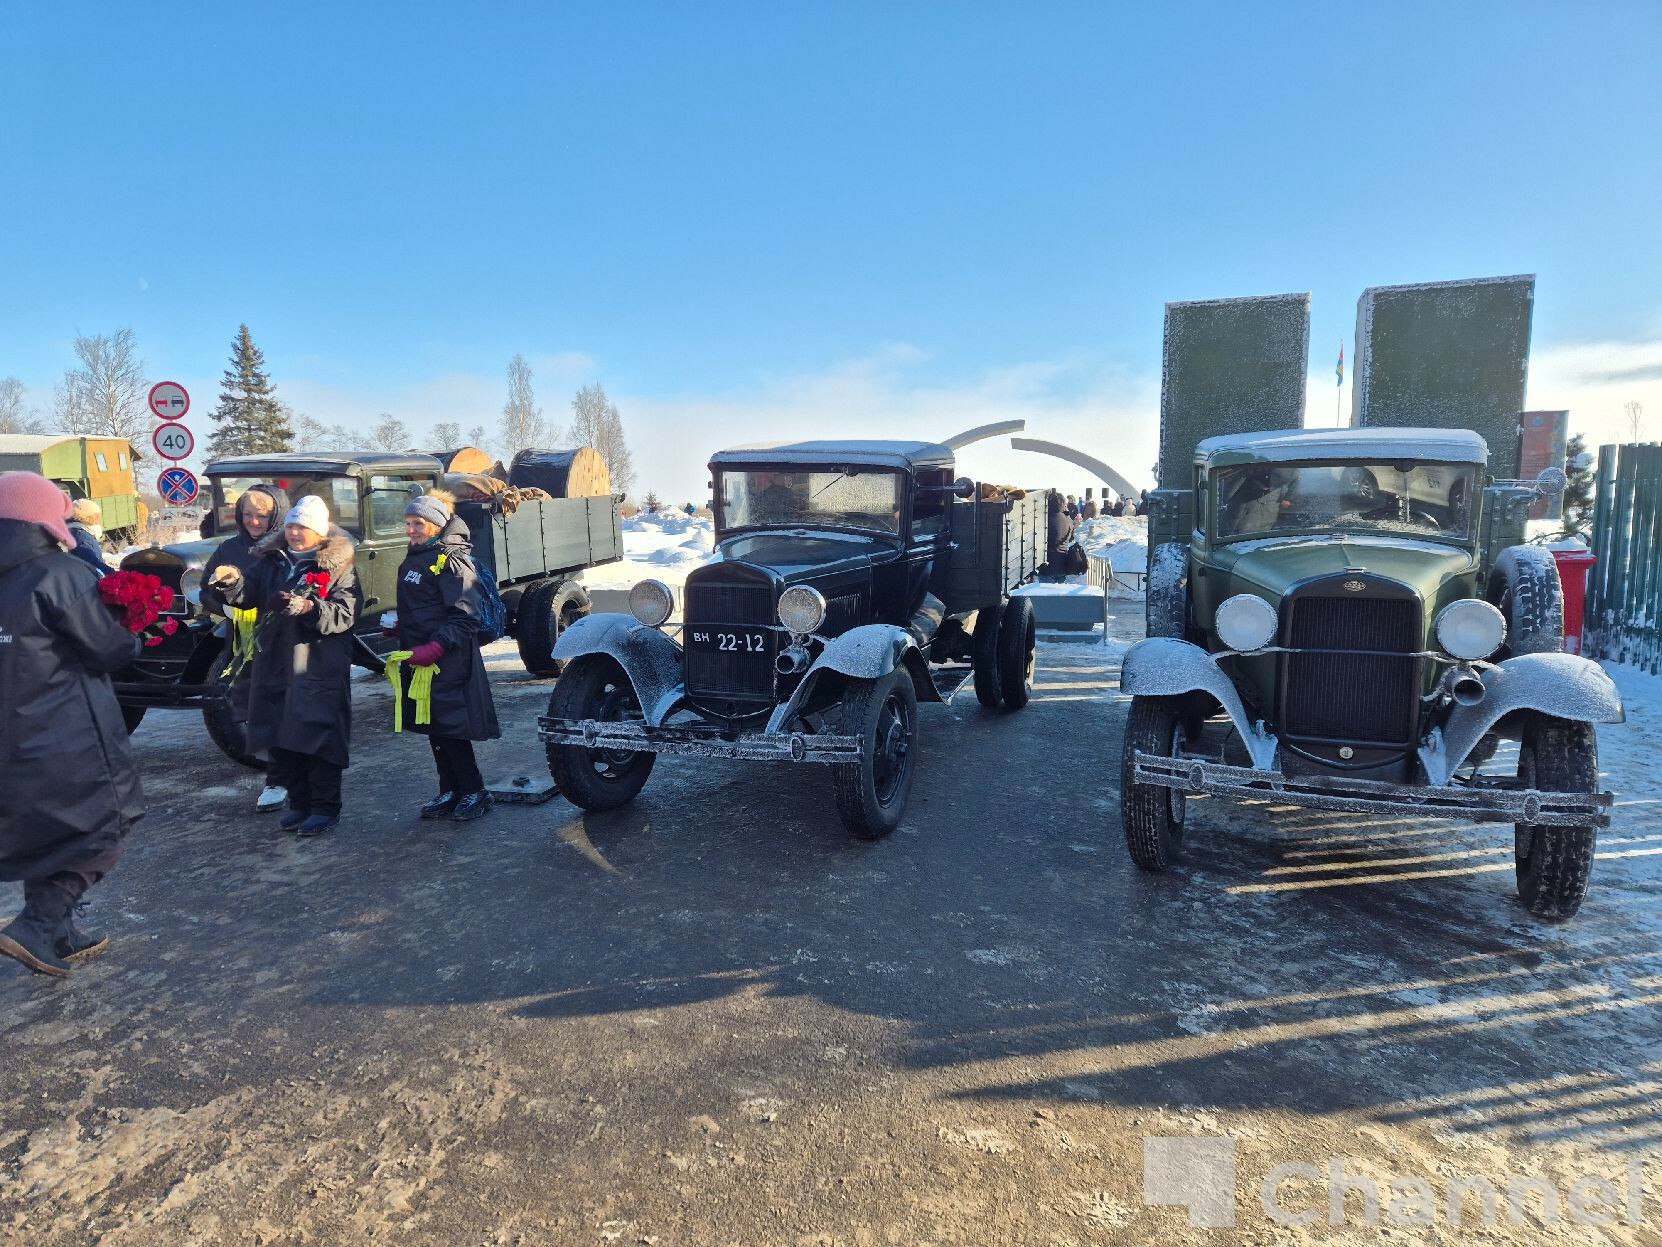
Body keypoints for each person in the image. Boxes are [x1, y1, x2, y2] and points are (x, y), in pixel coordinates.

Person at [0, 472, 144, 975]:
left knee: (50, 832)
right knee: (108, 824)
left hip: (13, 733)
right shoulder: (59, 575)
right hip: (68, 730)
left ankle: (57, 935)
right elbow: (108, 648)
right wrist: (134, 633)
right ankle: (37, 925)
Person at [207, 496, 361, 836]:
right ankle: (301, 803)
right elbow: (249, 594)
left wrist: (307, 607)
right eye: (291, 525)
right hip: (276, 660)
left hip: (316, 664)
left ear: (318, 532)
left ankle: (325, 807)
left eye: (301, 527)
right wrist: (232, 584)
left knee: (318, 735)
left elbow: (345, 614)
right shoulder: (273, 560)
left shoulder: (337, 566)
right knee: (283, 735)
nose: (293, 533)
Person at [396, 489, 501, 822]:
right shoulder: (416, 555)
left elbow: (465, 614)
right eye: (408, 523)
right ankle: (451, 789)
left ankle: (475, 790)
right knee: (434, 726)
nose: (411, 529)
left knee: (452, 726)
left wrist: (437, 646)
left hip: (448, 658)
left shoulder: (451, 560)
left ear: (437, 525)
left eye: (418, 523)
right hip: (421, 658)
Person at [200, 484, 290, 812]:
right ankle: (276, 775)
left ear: (275, 515)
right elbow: (206, 589)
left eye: (261, 516)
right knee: (256, 708)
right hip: (243, 640)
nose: (254, 522)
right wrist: (222, 607)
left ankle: (290, 777)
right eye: (247, 515)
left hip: (282, 639)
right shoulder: (228, 549)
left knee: (286, 707)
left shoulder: (287, 548)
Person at [65, 497, 108, 578]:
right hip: (90, 580)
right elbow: (93, 563)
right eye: (96, 515)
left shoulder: (75, 530)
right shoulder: (82, 536)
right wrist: (114, 575)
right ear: (87, 516)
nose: (99, 518)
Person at [1043, 490, 1075, 582]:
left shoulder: (1046, 519)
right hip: (1062, 564)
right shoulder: (1068, 520)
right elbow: (1070, 538)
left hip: (1047, 566)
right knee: (1058, 595)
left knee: (1046, 595)